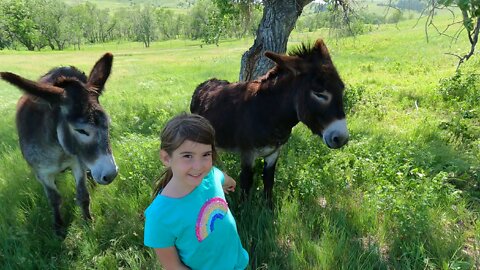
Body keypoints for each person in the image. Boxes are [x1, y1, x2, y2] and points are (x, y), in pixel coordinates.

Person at [144, 113, 249, 270]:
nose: (198, 166)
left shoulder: (211, 175)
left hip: (237, 262)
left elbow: (222, 177)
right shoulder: (159, 216)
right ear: (166, 158)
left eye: (206, 155)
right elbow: (173, 266)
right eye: (187, 156)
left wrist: (230, 183)